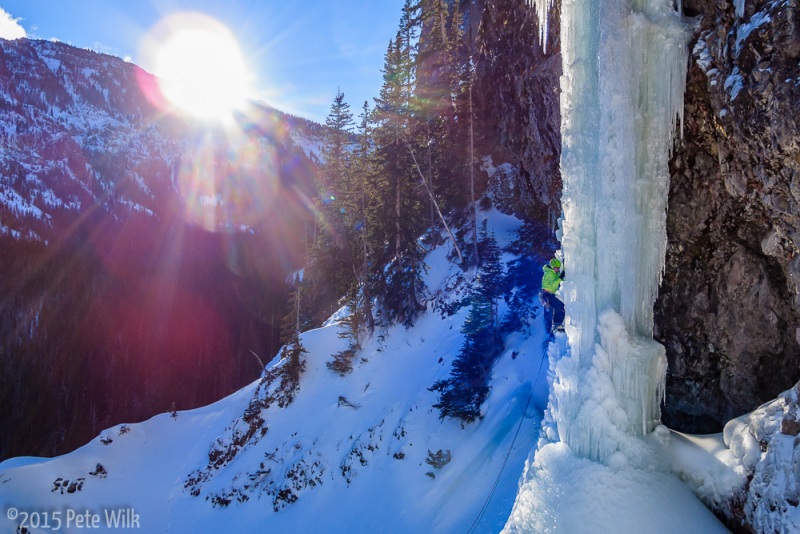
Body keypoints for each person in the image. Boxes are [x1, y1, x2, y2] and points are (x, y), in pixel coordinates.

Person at [540, 257, 565, 335]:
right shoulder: (549, 273)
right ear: (553, 267)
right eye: (557, 268)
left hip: (548, 294)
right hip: (547, 295)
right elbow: (553, 283)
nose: (557, 270)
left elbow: (558, 277)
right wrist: (560, 277)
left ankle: (556, 325)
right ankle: (556, 325)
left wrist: (562, 273)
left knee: (558, 307)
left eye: (558, 268)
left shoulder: (552, 273)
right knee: (560, 306)